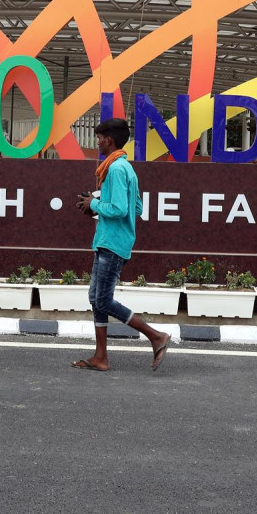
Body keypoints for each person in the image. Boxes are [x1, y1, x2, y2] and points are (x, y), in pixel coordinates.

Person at [72, 118, 172, 372]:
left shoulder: (115, 170)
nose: (97, 142)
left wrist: (92, 205)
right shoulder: (126, 168)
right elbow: (136, 208)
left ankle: (156, 336)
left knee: (103, 301)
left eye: (99, 137)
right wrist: (96, 202)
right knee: (96, 298)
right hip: (114, 240)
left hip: (112, 242)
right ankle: (100, 357)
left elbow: (118, 208)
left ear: (110, 139)